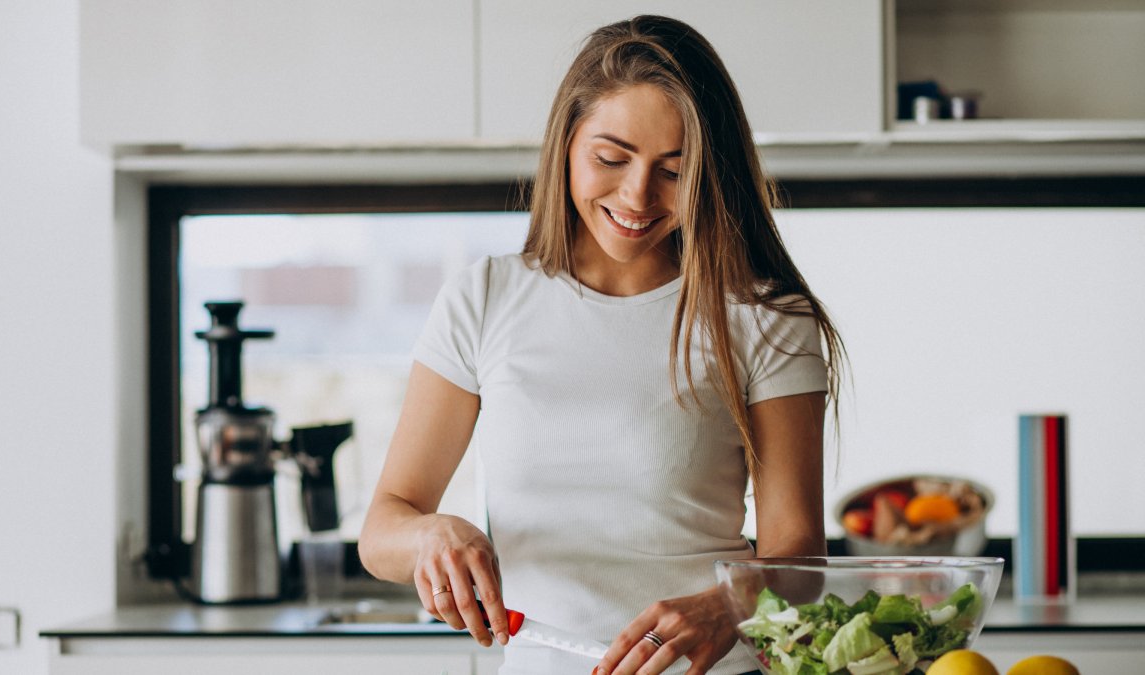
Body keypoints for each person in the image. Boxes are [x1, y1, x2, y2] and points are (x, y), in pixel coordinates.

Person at [359, 14, 845, 675]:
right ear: (567, 143)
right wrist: (429, 535)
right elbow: (384, 526)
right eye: (611, 159)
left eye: (674, 170)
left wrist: (727, 604)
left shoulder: (764, 316)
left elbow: (798, 559)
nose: (638, 195)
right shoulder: (485, 297)